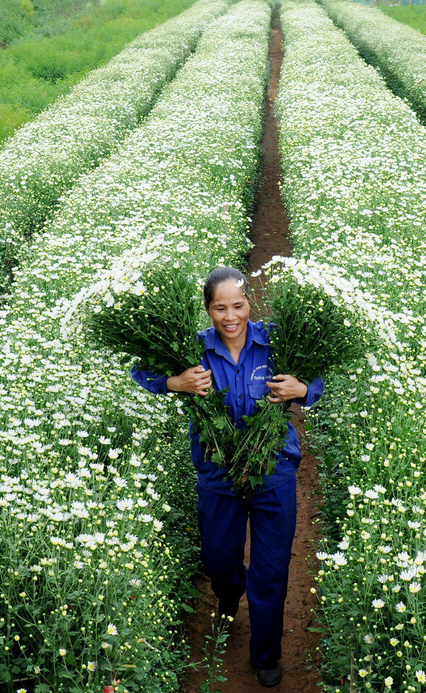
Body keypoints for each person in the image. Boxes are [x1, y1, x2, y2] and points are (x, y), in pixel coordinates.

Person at [130, 266, 324, 688]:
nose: (230, 316)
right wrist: (175, 382)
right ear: (208, 310)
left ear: (250, 304)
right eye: (220, 308)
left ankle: (266, 654)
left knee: (270, 570)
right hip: (217, 472)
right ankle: (228, 591)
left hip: (273, 471)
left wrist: (303, 391)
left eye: (238, 305)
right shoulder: (193, 348)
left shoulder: (278, 342)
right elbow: (139, 369)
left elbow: (317, 376)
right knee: (219, 558)